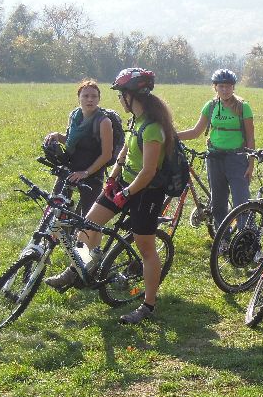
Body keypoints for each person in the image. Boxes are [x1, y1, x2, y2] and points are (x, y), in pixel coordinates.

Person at [52, 67, 176, 325]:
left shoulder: (153, 128)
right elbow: (125, 152)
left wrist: (125, 193)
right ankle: (80, 267)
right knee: (88, 224)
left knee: (146, 249)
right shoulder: (136, 120)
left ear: (132, 96)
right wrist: (113, 178)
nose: (119, 99)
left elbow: (148, 171)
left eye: (121, 94)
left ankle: (148, 304)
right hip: (123, 183)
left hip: (147, 192)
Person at [176, 69, 254, 231]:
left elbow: (250, 138)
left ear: (233, 87)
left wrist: (251, 164)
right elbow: (196, 132)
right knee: (218, 202)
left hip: (237, 158)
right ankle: (222, 237)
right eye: (221, 86)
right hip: (214, 158)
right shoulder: (211, 106)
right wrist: (172, 136)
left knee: (241, 201)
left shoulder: (243, 107)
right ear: (215, 87)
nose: (225, 90)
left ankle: (246, 236)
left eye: (228, 86)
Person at [43, 79, 113, 215]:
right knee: (56, 209)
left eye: (94, 96)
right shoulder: (74, 116)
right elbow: (71, 141)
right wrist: (57, 136)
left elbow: (106, 155)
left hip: (92, 174)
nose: (90, 99)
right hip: (70, 169)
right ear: (78, 98)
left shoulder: (103, 122)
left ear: (99, 99)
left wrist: (85, 173)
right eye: (85, 96)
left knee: (89, 219)